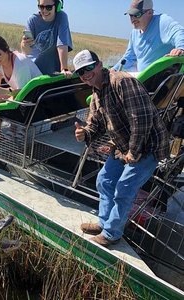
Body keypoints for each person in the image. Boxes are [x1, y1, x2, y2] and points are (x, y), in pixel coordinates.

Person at [73, 49, 169, 247]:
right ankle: (104, 222)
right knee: (104, 180)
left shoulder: (122, 81)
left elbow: (140, 120)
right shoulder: (96, 93)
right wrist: (85, 133)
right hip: (123, 146)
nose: (85, 74)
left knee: (124, 187)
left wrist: (133, 152)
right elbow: (96, 125)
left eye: (89, 67)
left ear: (99, 65)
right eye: (81, 72)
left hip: (147, 146)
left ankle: (111, 233)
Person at [0, 35, 42, 147]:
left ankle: (17, 128)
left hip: (34, 99)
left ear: (6, 49)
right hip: (21, 95)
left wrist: (5, 92)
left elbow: (25, 93)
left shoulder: (20, 63)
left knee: (10, 100)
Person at [113, 0, 184, 72]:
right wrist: (114, 69)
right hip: (143, 77)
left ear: (149, 12)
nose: (133, 19)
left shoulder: (162, 21)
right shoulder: (134, 32)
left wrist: (181, 48)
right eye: (131, 15)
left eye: (137, 14)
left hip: (163, 78)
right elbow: (128, 58)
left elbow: (179, 31)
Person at [20, 0, 73, 75]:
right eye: (41, 7)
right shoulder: (32, 20)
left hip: (53, 72)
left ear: (57, 6)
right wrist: (24, 44)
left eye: (48, 7)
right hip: (33, 70)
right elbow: (27, 52)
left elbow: (62, 44)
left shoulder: (61, 17)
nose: (44, 11)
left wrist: (64, 69)